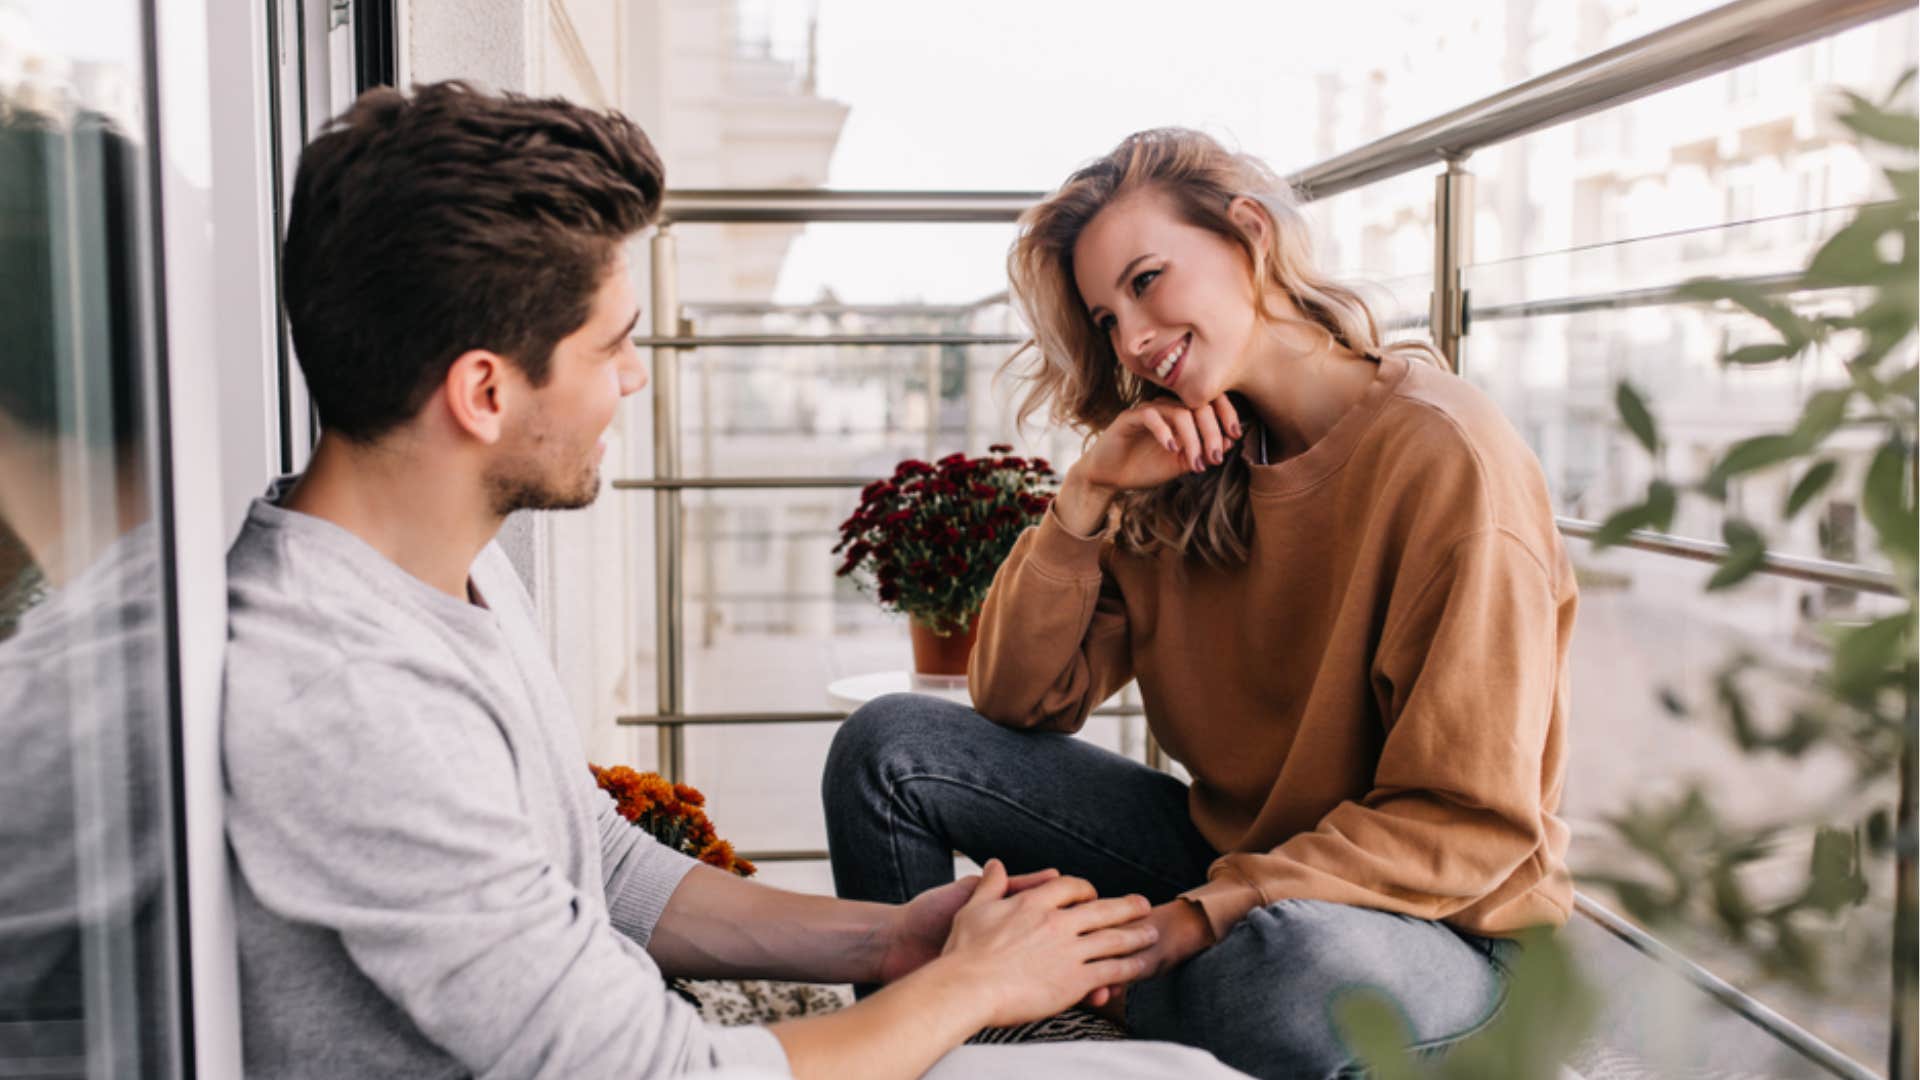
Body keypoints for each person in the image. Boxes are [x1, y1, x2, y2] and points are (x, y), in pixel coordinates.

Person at [222, 83, 1254, 1080]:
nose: (635, 373)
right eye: (613, 343)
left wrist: (892, 941)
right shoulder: (346, 698)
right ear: (484, 392)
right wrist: (975, 987)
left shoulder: (441, 567)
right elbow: (660, 1071)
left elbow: (595, 859)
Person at [824, 128, 1577, 1080]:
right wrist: (1086, 497)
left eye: (1146, 280)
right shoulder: (1177, 465)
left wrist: (1198, 918)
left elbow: (1468, 823)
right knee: (888, 748)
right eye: (1104, 318)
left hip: (1443, 932)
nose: (1132, 339)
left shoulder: (1446, 459)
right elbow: (1021, 699)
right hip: (1231, 870)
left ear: (1250, 236)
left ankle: (1062, 996)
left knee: (1297, 969)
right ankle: (932, 1047)